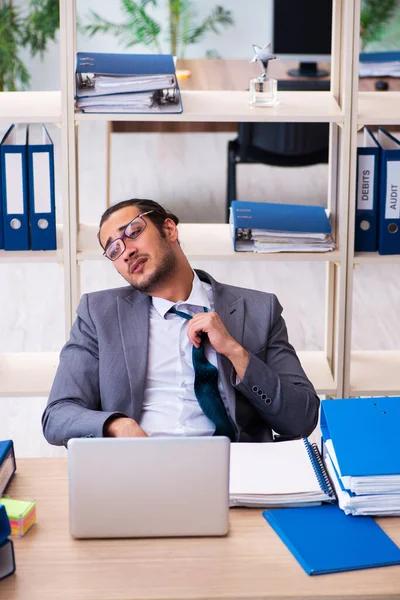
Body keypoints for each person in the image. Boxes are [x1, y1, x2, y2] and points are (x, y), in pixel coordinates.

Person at [42, 199, 319, 446]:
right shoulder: (98, 314)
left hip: (233, 469)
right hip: (139, 467)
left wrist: (237, 353)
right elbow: (57, 415)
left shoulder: (258, 309)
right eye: (114, 249)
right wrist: (115, 424)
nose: (126, 251)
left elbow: (301, 419)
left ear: (170, 230)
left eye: (134, 232)